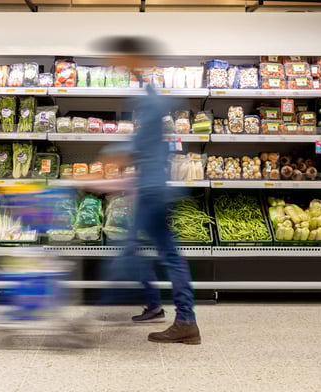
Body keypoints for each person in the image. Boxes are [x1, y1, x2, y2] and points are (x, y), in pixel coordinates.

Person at [92, 36, 200, 345]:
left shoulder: (151, 100)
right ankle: (156, 306)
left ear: (135, 58)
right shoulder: (149, 92)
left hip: (153, 191)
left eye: (122, 59)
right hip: (150, 187)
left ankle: (186, 321)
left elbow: (137, 145)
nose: (115, 64)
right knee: (143, 250)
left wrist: (108, 156)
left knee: (147, 254)